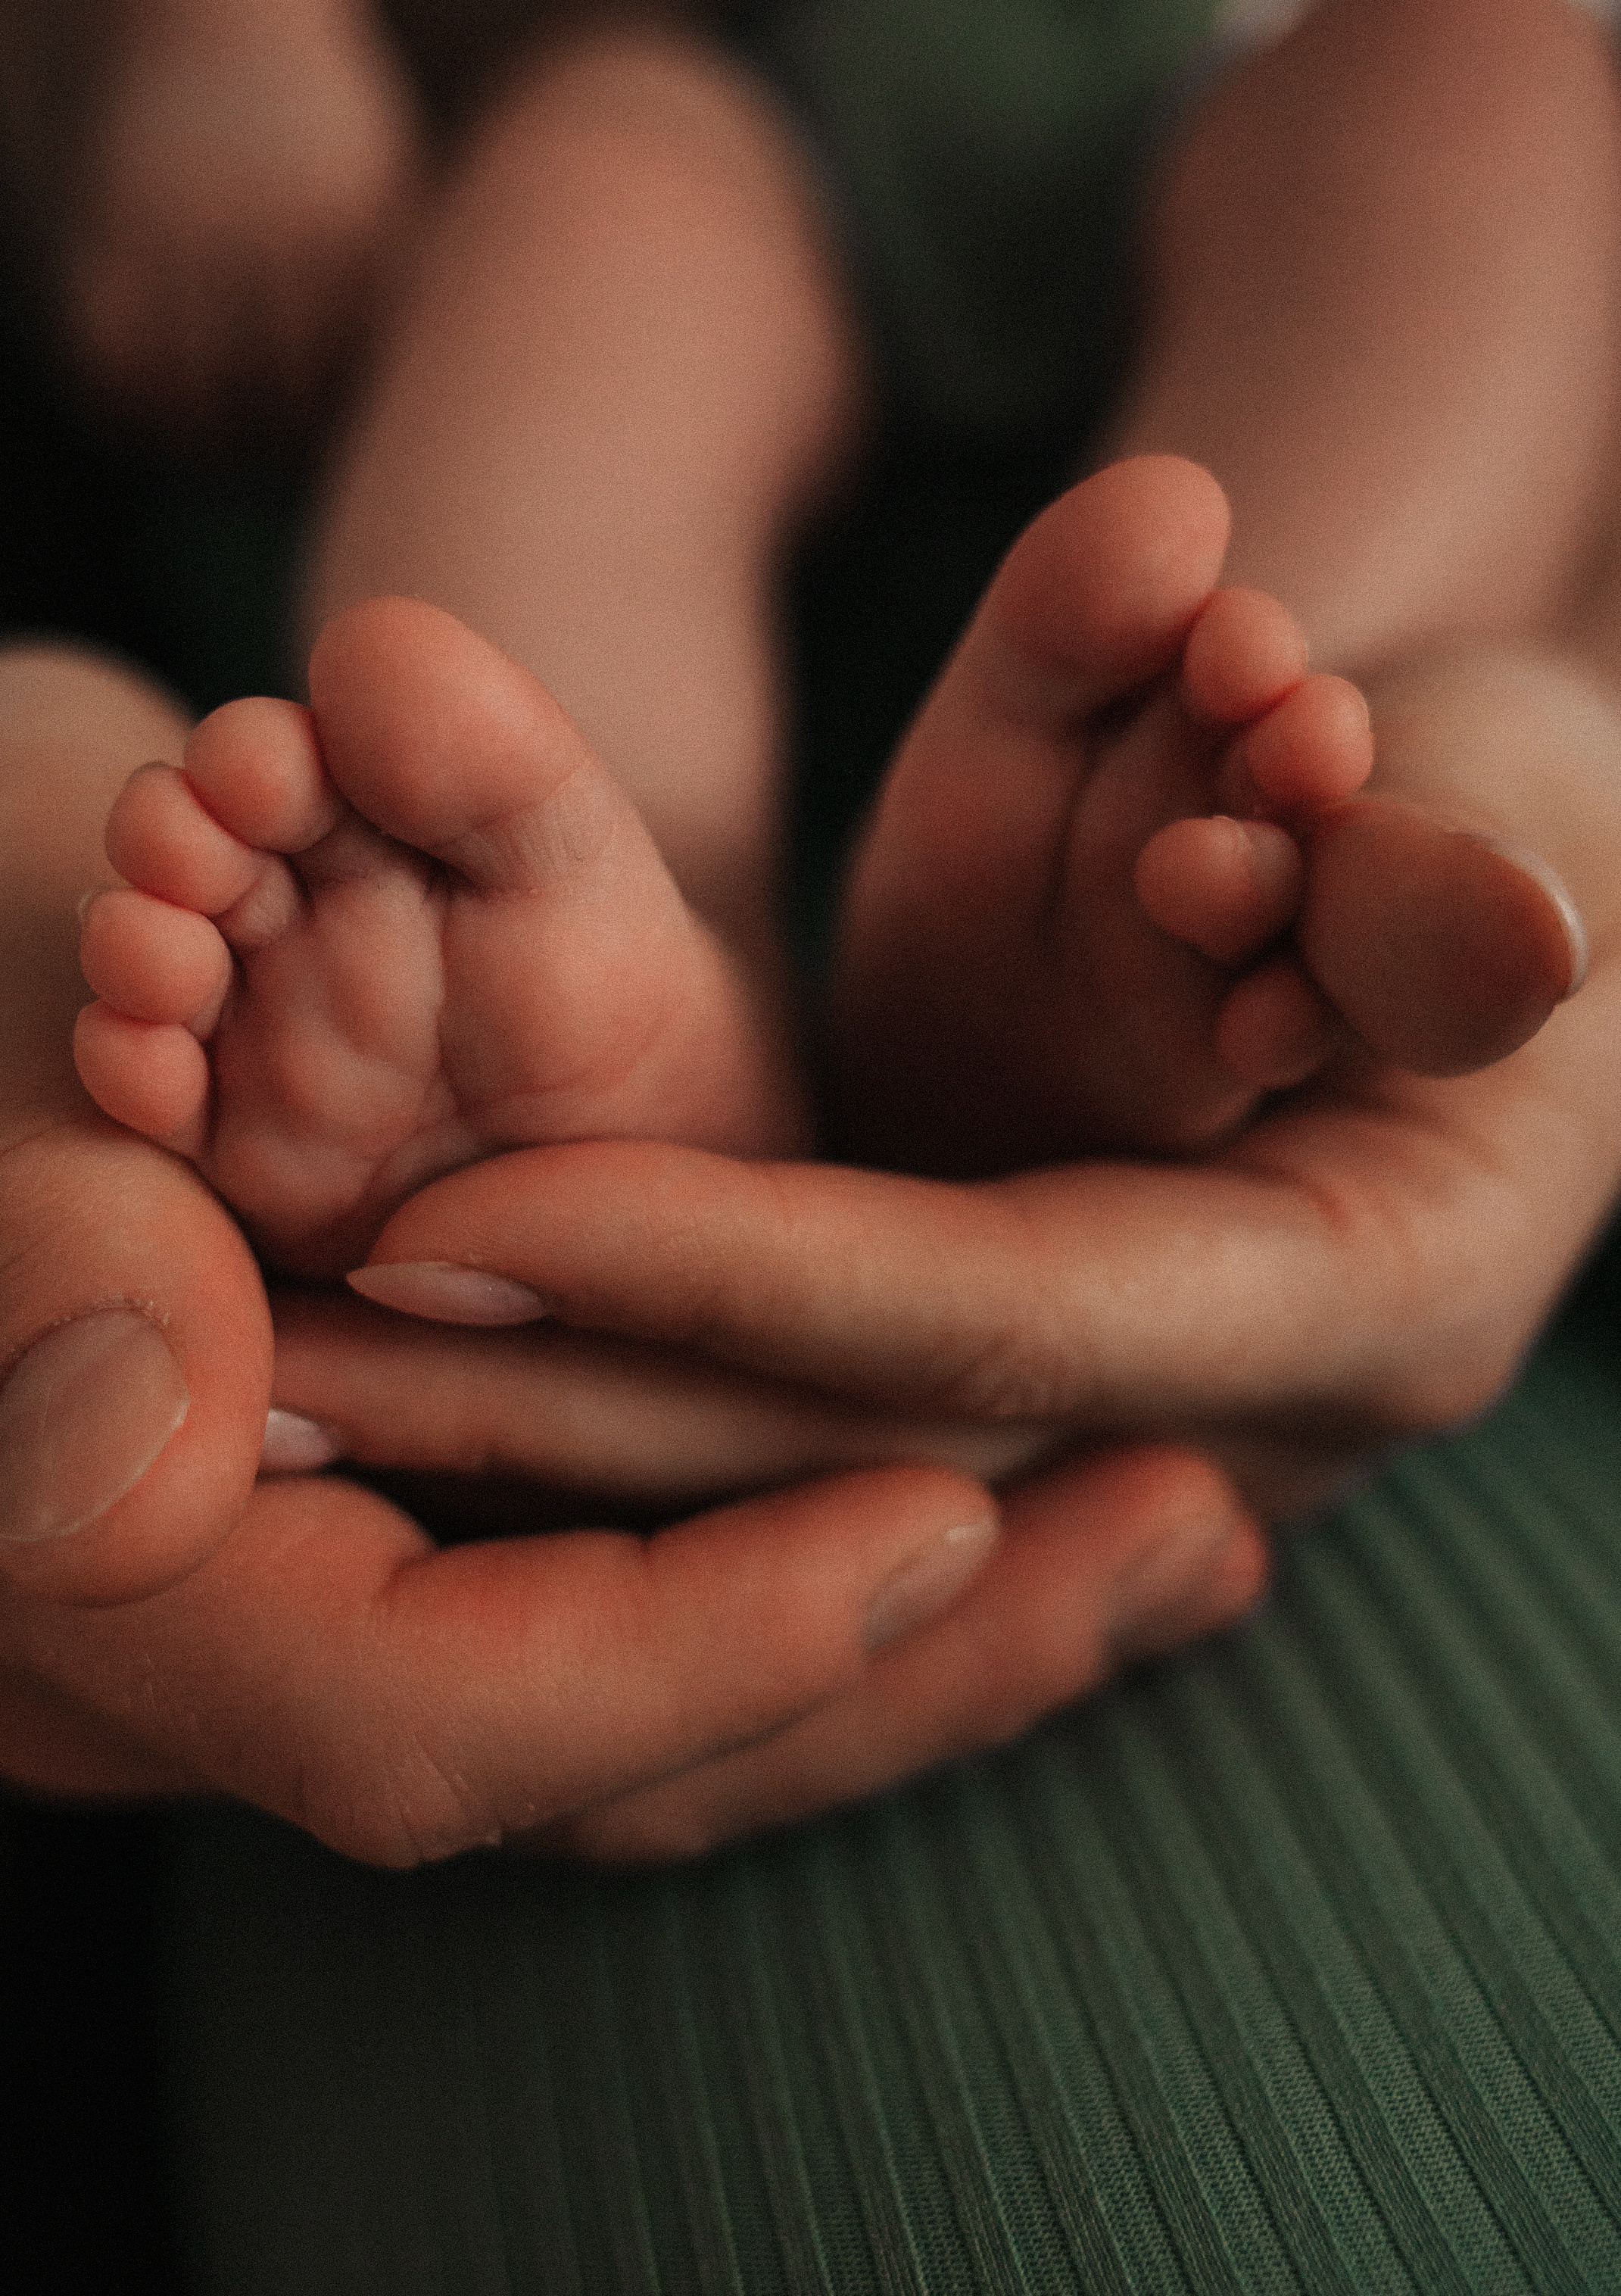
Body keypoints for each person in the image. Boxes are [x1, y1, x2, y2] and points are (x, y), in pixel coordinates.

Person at [3, 0, 1621, 1864]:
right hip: (734, 59)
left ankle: (1211, 804)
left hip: (1298, 38)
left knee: (1479, 104)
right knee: (585, 215)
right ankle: (621, 935)